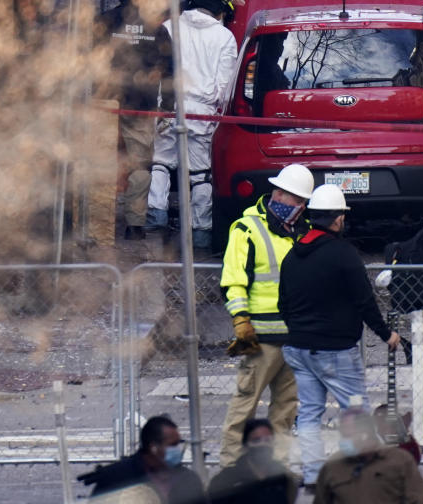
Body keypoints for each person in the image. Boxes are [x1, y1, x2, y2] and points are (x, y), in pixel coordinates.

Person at [277, 184, 401, 490]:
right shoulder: (344, 254)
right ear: (337, 220)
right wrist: (387, 334)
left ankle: (312, 476)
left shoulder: (293, 255)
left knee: (308, 414)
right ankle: (359, 474)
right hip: (336, 350)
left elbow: (283, 304)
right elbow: (364, 302)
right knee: (355, 411)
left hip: (298, 347)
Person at [218, 164, 314, 466]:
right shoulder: (247, 229)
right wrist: (241, 320)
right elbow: (233, 280)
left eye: (300, 202)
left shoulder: (303, 231)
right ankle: (230, 468)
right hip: (261, 339)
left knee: (285, 410)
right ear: (277, 193)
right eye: (293, 199)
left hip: (295, 337)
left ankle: (278, 468)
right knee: (244, 406)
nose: (296, 206)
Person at [146, 0, 242, 250]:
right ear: (220, 10)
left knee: (161, 164)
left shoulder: (169, 27)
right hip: (202, 113)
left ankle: (155, 221)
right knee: (200, 174)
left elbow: (156, 73)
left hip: (167, 107)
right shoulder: (224, 38)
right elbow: (224, 86)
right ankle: (200, 233)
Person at [94, 0, 168, 240]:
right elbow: (170, 69)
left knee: (100, 161)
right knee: (139, 166)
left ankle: (97, 225)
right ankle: (135, 226)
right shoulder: (156, 28)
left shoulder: (103, 21)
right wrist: (168, 105)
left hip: (105, 102)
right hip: (141, 106)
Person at [78, 415, 206, 504]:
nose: (177, 450)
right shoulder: (116, 478)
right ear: (153, 448)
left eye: (178, 444)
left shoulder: (188, 480)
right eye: (172, 445)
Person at [313, 408, 423, 504]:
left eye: (350, 436)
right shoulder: (333, 467)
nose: (344, 441)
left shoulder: (400, 461)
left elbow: (417, 500)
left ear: (366, 435)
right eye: (344, 435)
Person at [207, 418, 298, 504]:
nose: (263, 444)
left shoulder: (282, 478)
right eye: (256, 440)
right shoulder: (226, 481)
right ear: (245, 444)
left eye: (267, 440)